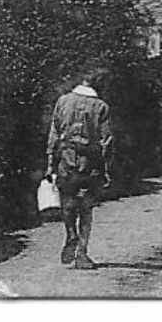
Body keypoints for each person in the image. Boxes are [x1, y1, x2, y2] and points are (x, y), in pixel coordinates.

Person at [45, 68, 114, 270]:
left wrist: (50, 163)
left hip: (65, 161)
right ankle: (82, 254)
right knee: (86, 209)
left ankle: (70, 234)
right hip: (90, 164)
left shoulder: (63, 101)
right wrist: (107, 169)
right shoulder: (101, 106)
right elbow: (106, 141)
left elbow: (54, 133)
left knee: (67, 203)